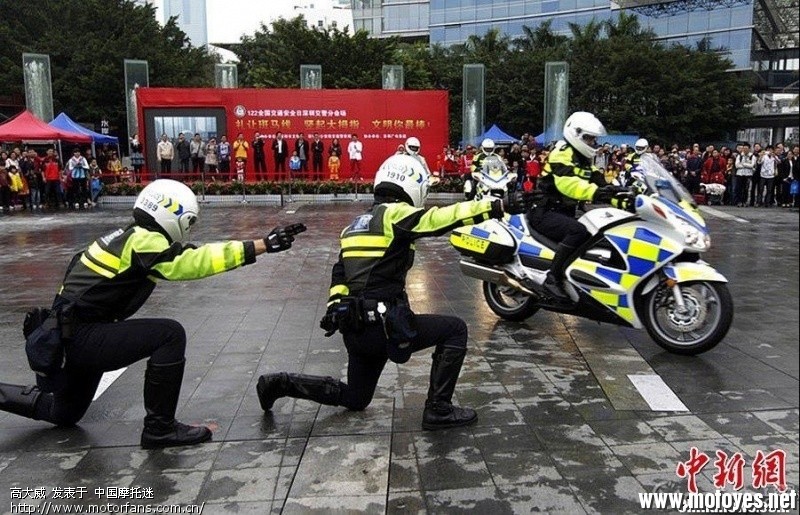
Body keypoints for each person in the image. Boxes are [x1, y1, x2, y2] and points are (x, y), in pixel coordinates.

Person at [0, 179, 307, 449]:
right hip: (81, 337)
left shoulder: (122, 236)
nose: (188, 229)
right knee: (169, 335)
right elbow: (191, 261)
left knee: (63, 414)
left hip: (68, 337)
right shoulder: (144, 240)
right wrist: (260, 246)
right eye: (188, 222)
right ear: (173, 213)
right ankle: (160, 428)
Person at [255, 152, 508, 430]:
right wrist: (497, 206)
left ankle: (280, 383)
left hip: (356, 328)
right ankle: (439, 409)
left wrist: (334, 307)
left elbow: (340, 273)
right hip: (386, 327)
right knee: (455, 330)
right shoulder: (394, 214)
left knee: (356, 397)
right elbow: (440, 219)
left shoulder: (353, 226)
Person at [529, 112, 632, 301]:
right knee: (578, 231)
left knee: (597, 232)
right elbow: (567, 184)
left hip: (564, 212)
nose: (593, 143)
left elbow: (602, 184)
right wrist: (595, 193)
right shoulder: (561, 153)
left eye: (594, 139)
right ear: (576, 134)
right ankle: (552, 279)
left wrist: (627, 199)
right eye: (589, 138)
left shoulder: (584, 161)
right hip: (544, 211)